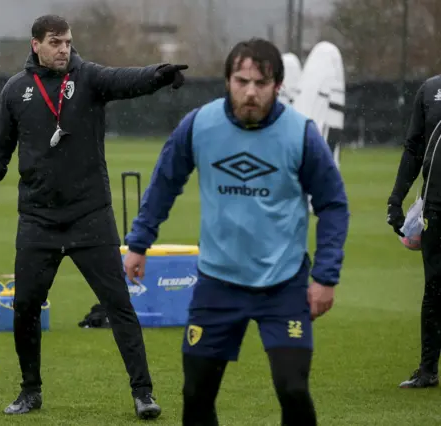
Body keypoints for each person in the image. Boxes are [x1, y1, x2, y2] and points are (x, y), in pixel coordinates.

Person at [0, 14, 187, 419]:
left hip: (90, 216)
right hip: (38, 221)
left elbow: (125, 80)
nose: (64, 48)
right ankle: (30, 392)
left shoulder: (88, 78)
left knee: (119, 304)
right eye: (55, 42)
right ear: (36, 45)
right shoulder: (16, 90)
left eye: (67, 41)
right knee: (26, 308)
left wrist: (159, 74)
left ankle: (143, 393)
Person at [123, 38, 350, 426]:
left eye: (260, 84)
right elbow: (165, 182)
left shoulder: (301, 134)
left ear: (278, 86)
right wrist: (139, 242)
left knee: (293, 390)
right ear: (227, 80)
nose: (250, 92)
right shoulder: (199, 125)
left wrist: (325, 276)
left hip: (283, 284)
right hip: (218, 283)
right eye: (241, 80)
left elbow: (332, 204)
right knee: (196, 394)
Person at [387, 74, 441, 388]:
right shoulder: (430, 91)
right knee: (435, 290)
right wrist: (396, 200)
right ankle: (428, 370)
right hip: (436, 208)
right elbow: (413, 150)